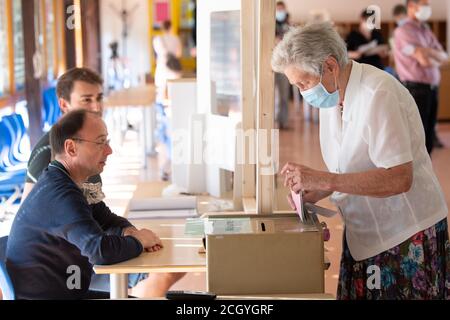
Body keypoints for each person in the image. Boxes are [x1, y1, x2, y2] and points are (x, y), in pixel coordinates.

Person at [272, 22, 449, 299]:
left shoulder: (377, 94)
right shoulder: (332, 97)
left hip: (404, 234)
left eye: (304, 83)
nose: (304, 92)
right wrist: (320, 189)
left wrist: (324, 178)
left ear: (330, 66)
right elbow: (351, 166)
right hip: (364, 232)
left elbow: (399, 177)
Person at [20, 67, 184, 297]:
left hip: (79, 251)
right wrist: (136, 241)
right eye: (87, 100)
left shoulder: (78, 167)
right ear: (64, 104)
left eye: (99, 98)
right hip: (63, 270)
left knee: (167, 262)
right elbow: (90, 245)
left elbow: (100, 214)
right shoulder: (55, 167)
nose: (97, 107)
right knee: (161, 273)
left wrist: (129, 231)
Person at [6, 110, 164, 299]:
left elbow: (105, 218)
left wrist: (128, 231)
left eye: (107, 141)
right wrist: (140, 241)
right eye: (100, 142)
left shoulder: (65, 181)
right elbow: (100, 251)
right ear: (71, 148)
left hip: (67, 291)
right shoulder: (60, 193)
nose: (109, 150)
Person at [394, 0, 448, 154]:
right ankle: (415, 176)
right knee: (418, 136)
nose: (427, 8)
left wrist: (426, 51)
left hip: (432, 89)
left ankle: (426, 174)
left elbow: (444, 56)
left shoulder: (425, 30)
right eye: (424, 4)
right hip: (416, 89)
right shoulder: (403, 31)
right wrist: (431, 53)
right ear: (411, 6)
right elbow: (424, 61)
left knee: (429, 135)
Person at [152, 20, 182, 180]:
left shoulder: (158, 40)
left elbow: (162, 55)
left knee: (164, 122)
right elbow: (178, 54)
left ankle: (168, 161)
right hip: (175, 78)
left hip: (163, 80)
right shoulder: (176, 39)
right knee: (172, 122)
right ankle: (170, 161)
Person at [274, 1, 291, 130]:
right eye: (278, 9)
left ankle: (283, 122)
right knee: (271, 95)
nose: (280, 12)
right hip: (271, 63)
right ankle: (271, 120)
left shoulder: (289, 25)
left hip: (284, 65)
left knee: (284, 95)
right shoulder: (270, 24)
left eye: (282, 9)